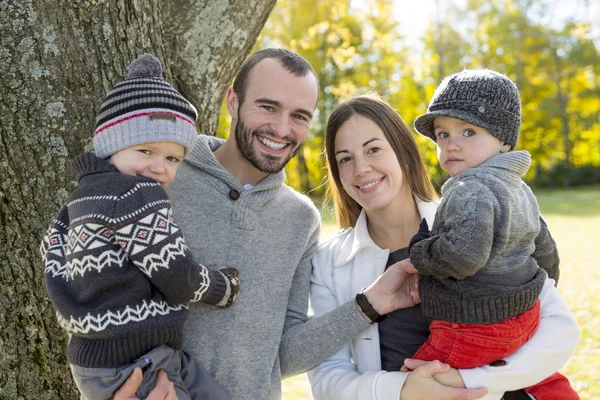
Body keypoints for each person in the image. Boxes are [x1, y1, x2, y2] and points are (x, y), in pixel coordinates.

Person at [118, 48, 484, 400]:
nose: (281, 128)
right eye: (267, 107)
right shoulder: (163, 175)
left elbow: (285, 355)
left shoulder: (299, 218)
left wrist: (369, 304)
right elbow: (92, 286)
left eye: (299, 115)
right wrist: (130, 381)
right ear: (233, 101)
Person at [308, 95, 580, 400]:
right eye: (345, 158)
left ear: (404, 153)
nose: (361, 169)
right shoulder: (329, 262)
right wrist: (403, 390)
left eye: (373, 150)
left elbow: (560, 330)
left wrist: (464, 379)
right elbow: (327, 378)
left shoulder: (473, 219)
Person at [40, 54, 240, 400]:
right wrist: (224, 287)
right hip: (134, 360)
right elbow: (178, 276)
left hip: (98, 361)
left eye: (172, 158)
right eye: (146, 150)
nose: (159, 168)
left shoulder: (79, 199)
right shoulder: (139, 194)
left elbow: (51, 257)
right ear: (111, 146)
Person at [409, 69, 579, 399]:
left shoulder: (469, 188)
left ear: (503, 140)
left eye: (468, 132)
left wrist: (421, 251)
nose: (451, 144)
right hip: (525, 318)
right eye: (442, 135)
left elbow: (462, 257)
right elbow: (546, 253)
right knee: (532, 370)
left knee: (420, 379)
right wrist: (529, 296)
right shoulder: (520, 188)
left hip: (472, 326)